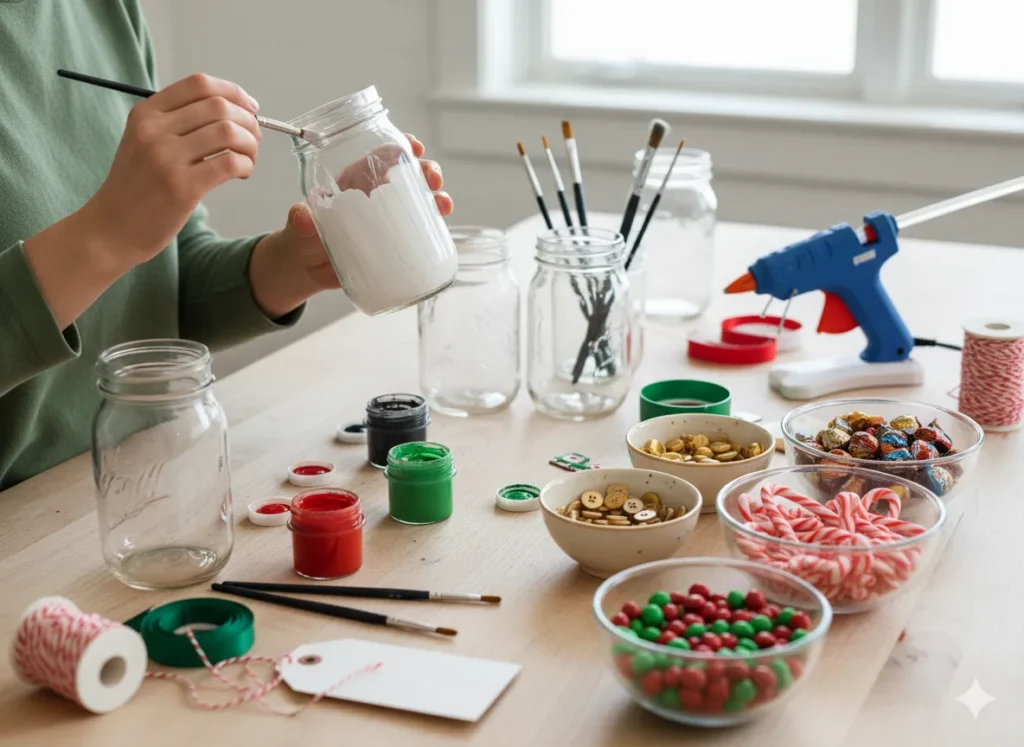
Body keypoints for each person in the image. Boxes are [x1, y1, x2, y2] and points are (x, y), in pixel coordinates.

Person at [0, 0, 453, 489]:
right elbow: (118, 243)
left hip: (157, 471)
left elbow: (159, 290)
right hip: (29, 516)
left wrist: (295, 263)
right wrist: (106, 235)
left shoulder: (104, 10)